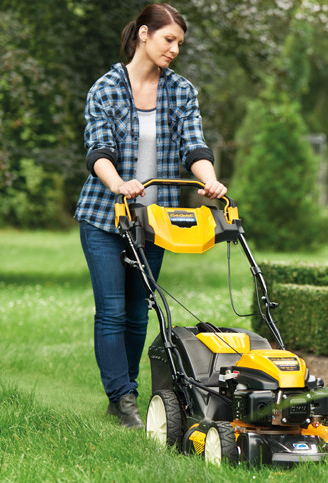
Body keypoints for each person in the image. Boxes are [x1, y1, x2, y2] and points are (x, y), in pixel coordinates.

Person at [74, 3, 226, 429]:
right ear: (143, 34)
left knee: (139, 310)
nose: (174, 49)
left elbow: (193, 146)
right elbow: (98, 152)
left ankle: (126, 393)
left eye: (179, 42)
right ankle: (122, 399)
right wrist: (119, 183)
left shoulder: (181, 91)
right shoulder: (105, 89)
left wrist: (210, 181)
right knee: (112, 310)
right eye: (168, 39)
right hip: (104, 215)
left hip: (154, 219)